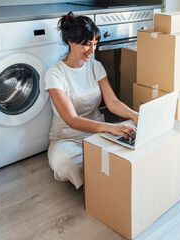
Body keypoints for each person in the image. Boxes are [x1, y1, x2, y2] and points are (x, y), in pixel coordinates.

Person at [44, 12, 138, 189]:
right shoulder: (55, 74)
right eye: (87, 44)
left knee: (126, 150)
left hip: (98, 132)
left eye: (95, 44)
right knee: (69, 164)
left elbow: (113, 102)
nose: (92, 50)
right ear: (71, 42)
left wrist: (135, 115)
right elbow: (72, 120)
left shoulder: (96, 67)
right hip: (67, 138)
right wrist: (111, 127)